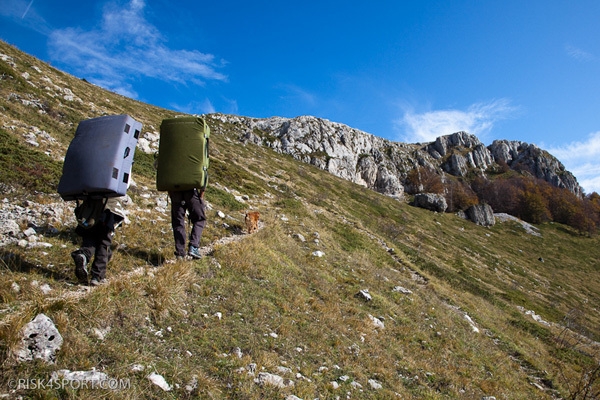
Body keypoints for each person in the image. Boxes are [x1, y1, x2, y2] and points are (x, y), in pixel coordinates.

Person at [71, 197, 125, 286]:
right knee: (104, 243)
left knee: (90, 237)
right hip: (109, 208)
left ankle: (83, 254)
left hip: (90, 208)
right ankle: (97, 276)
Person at [168, 188, 207, 259]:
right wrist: (201, 196)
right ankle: (193, 247)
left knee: (178, 222)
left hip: (175, 192)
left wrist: (171, 194)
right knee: (199, 219)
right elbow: (203, 181)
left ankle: (180, 252)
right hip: (191, 192)